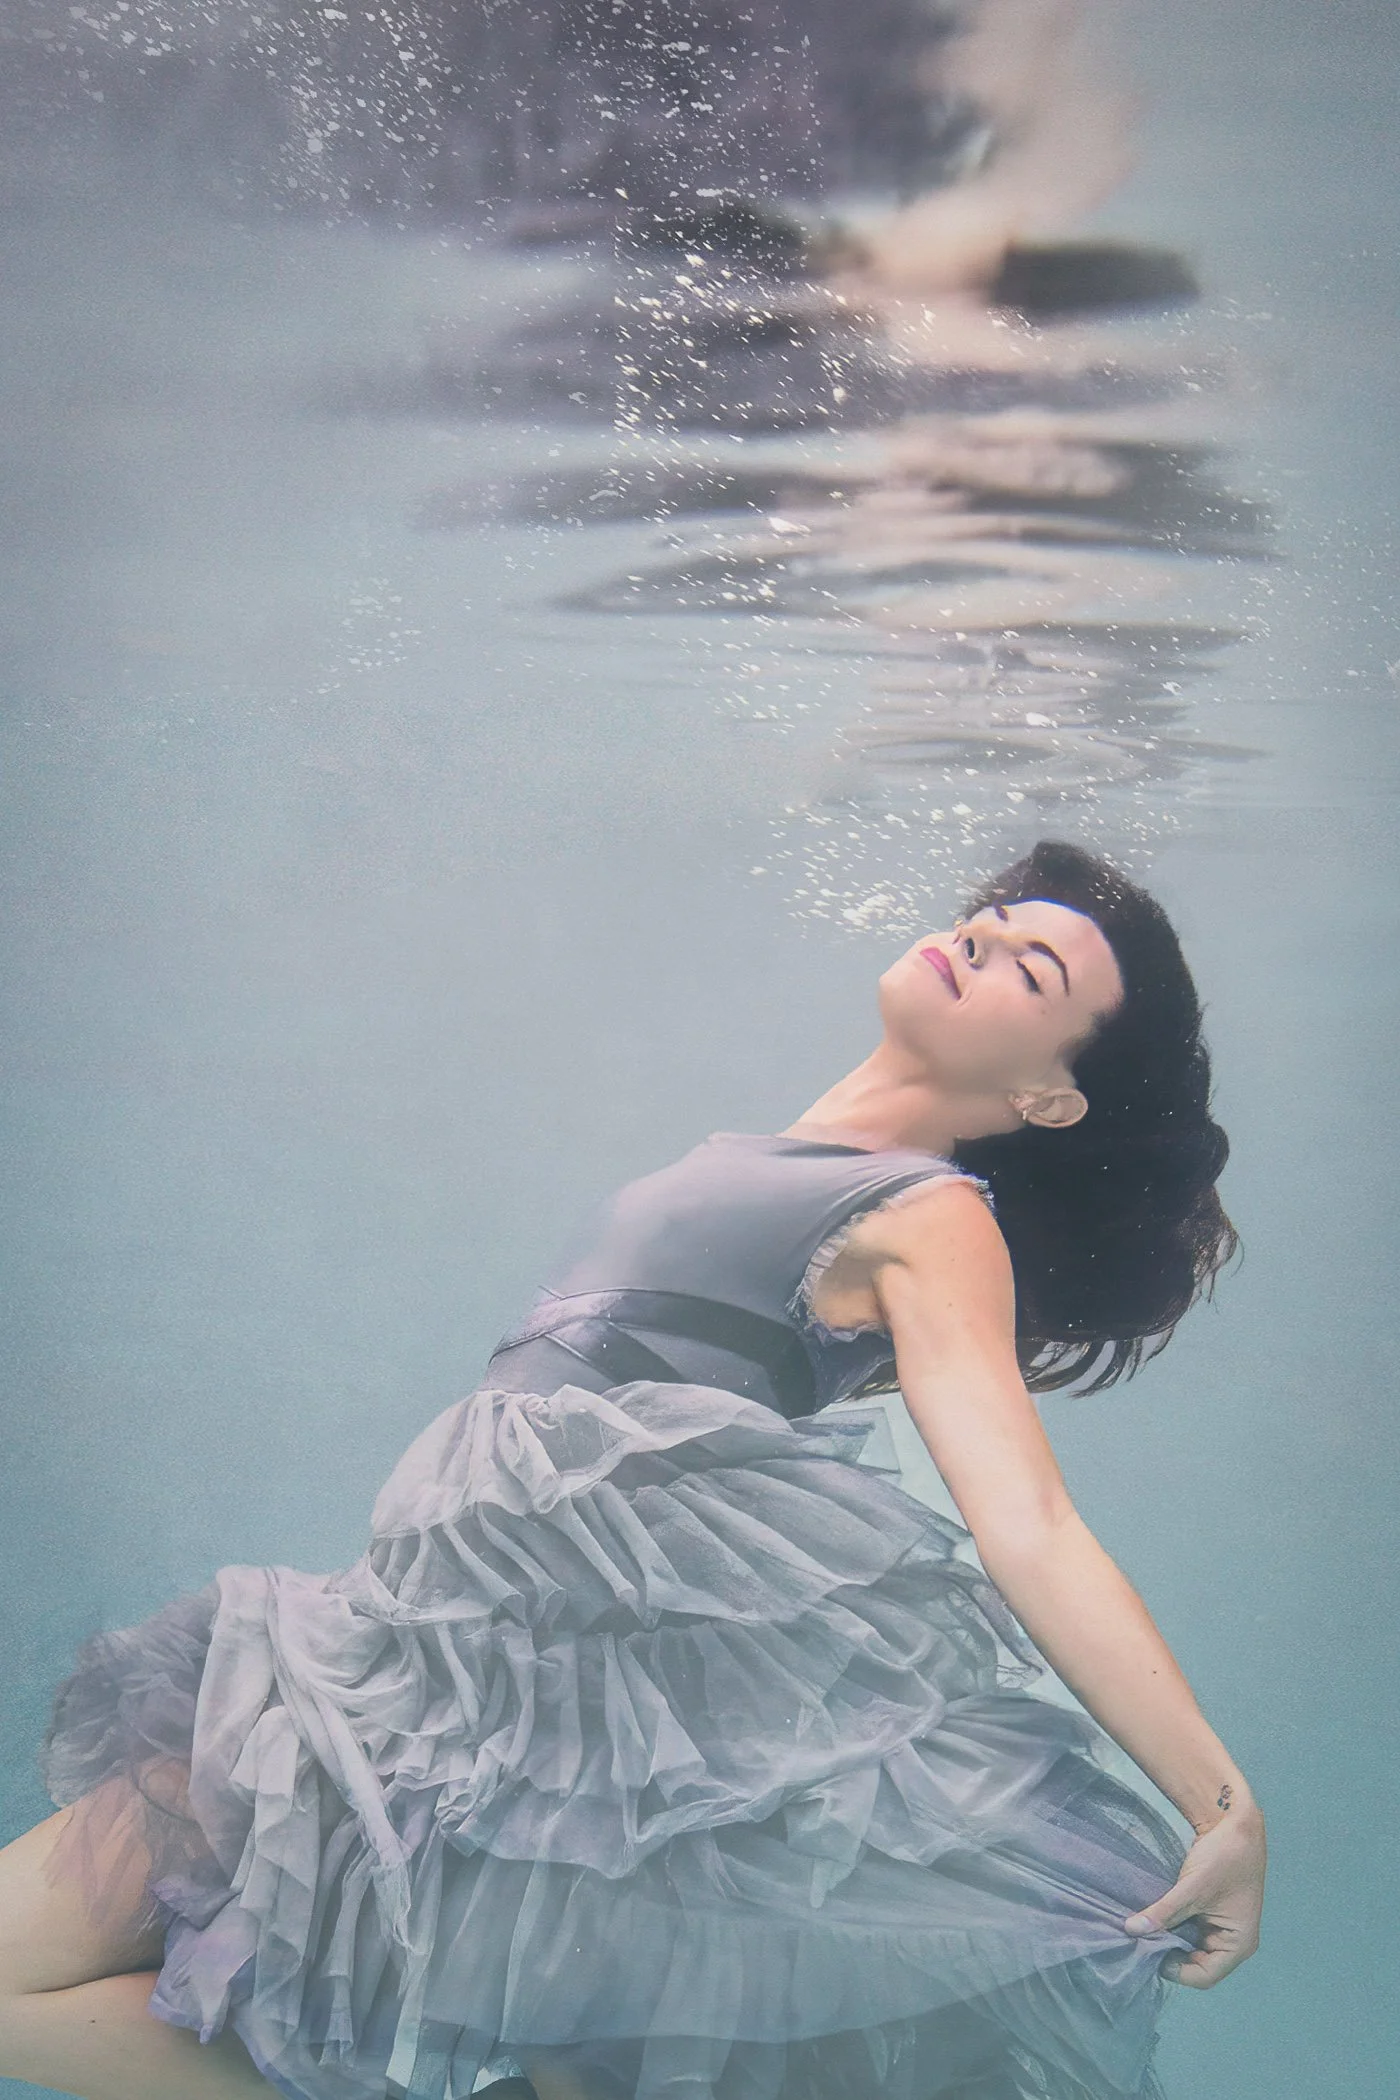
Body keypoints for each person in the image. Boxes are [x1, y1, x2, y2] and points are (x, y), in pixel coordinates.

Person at [0, 840, 1266, 2100]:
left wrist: (1219, 1805)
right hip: (428, 1674)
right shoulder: (801, 1159)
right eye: (991, 922)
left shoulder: (931, 1216)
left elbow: (1028, 1521)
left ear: (1048, 1095)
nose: (980, 940)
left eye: (1030, 969)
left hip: (547, 1728)